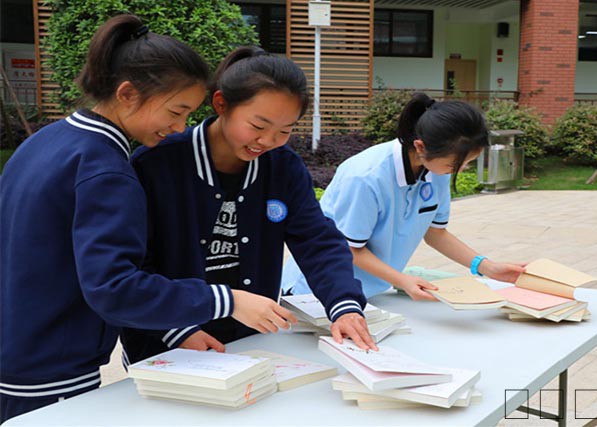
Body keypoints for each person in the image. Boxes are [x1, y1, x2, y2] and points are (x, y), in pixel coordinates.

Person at [0, 16, 294, 423]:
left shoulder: (48, 141)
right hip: (51, 363)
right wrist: (227, 299)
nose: (179, 127)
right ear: (127, 93)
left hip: (17, 343)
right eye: (176, 111)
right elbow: (115, 288)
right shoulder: (106, 170)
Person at [120, 46, 376, 367]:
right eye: (258, 126)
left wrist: (344, 305)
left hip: (251, 338)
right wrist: (177, 330)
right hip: (166, 341)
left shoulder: (283, 167)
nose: (268, 141)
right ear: (221, 104)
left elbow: (317, 241)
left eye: (285, 130)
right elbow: (132, 266)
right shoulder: (157, 165)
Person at [282, 93, 525, 300]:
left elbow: (436, 233)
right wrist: (403, 280)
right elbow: (349, 249)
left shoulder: (435, 168)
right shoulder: (366, 177)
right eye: (455, 165)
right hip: (316, 291)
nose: (460, 170)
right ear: (420, 147)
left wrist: (488, 268)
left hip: (370, 293)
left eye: (467, 164)